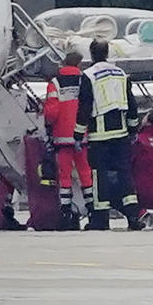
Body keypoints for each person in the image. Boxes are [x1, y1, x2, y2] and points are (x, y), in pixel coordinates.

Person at [74, 37, 144, 230]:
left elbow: (85, 107)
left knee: (99, 176)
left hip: (99, 136)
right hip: (121, 134)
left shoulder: (88, 75)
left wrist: (78, 134)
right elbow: (131, 104)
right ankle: (133, 216)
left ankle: (100, 219)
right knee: (124, 173)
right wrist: (133, 129)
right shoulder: (121, 74)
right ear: (107, 53)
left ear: (92, 54)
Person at [43, 51, 95, 230]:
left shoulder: (55, 83)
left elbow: (51, 112)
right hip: (83, 135)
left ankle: (66, 212)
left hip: (62, 137)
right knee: (85, 174)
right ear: (79, 64)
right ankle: (92, 210)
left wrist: (50, 125)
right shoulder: (85, 80)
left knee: (64, 176)